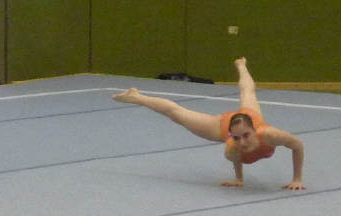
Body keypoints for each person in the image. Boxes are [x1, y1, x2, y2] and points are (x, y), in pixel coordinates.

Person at [113, 57, 305, 190]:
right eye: (237, 138)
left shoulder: (270, 135)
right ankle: (136, 97)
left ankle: (241, 65)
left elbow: (297, 146)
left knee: (248, 92)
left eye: (246, 136)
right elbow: (237, 156)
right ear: (231, 137)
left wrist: (297, 179)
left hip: (249, 116)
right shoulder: (231, 147)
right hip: (222, 124)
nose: (242, 142)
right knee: (178, 115)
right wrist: (239, 179)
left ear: (255, 130)